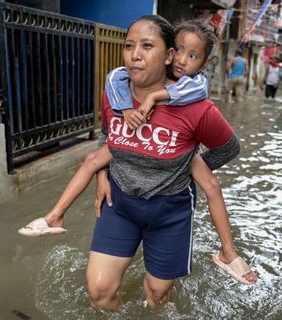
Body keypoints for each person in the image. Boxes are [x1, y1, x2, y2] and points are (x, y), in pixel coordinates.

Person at [19, 19, 256, 287]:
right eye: (129, 46)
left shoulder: (197, 105)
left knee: (157, 295)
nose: (135, 55)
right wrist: (102, 176)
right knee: (99, 290)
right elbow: (106, 136)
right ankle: (55, 216)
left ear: (165, 55)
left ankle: (227, 254)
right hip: (119, 203)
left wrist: (191, 165)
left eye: (146, 46)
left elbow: (229, 149)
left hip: (170, 210)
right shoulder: (114, 91)